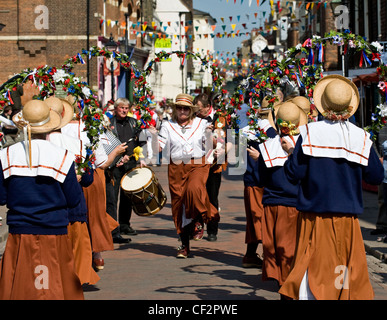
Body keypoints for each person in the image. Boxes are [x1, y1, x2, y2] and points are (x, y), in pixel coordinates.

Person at [278, 75, 384, 300]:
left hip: (313, 217)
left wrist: (290, 153)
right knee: (341, 272)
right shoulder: (361, 137)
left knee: (309, 271)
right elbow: (375, 177)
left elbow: (293, 174)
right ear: (349, 106)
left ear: (323, 105)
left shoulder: (308, 133)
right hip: (346, 220)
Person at [0, 99, 84, 299]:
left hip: (20, 233)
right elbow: (73, 199)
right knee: (52, 288)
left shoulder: (6, 155)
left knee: (22, 289)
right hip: (54, 232)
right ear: (49, 126)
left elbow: (2, 197)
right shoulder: (63, 156)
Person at [46, 96, 100, 285]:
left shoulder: (31, 145)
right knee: (77, 249)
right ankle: (74, 282)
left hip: (46, 206)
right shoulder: (77, 143)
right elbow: (87, 179)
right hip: (74, 205)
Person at [256, 100, 308, 294]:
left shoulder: (267, 146)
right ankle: (289, 284)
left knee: (275, 246)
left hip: (272, 203)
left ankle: (283, 283)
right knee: (290, 248)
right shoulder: (305, 145)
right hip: (295, 204)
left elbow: (260, 178)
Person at [158, 93, 216, 258]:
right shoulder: (167, 125)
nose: (182, 111)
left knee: (194, 188)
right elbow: (159, 146)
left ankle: (199, 218)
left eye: (186, 108)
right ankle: (184, 245)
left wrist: (212, 137)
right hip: (176, 167)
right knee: (179, 205)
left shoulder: (203, 123)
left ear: (191, 110)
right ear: (175, 109)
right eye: (179, 108)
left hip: (198, 163)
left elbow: (212, 143)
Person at [240, 94, 279, 268]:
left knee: (258, 219)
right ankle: (269, 258)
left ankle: (250, 256)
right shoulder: (262, 128)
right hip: (257, 180)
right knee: (259, 220)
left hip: (262, 180)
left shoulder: (269, 128)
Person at [105, 98, 146, 242]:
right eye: (121, 108)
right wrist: (117, 158)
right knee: (112, 197)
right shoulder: (109, 124)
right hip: (115, 165)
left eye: (126, 108)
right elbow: (105, 144)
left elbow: (142, 142)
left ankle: (124, 224)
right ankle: (112, 228)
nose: (124, 110)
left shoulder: (134, 123)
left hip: (130, 163)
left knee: (128, 195)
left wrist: (139, 157)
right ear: (115, 109)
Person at [194, 92, 230, 241]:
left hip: (214, 165)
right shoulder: (194, 119)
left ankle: (212, 230)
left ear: (208, 107)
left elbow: (230, 138)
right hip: (196, 162)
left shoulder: (220, 118)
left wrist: (222, 149)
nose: (197, 112)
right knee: (196, 196)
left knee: (212, 197)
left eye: (199, 109)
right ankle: (198, 227)